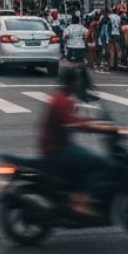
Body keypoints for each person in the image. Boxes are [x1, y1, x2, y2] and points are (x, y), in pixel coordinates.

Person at [38, 64, 120, 217]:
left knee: (87, 159)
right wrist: (102, 128)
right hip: (57, 150)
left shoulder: (62, 98)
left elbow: (75, 120)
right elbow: (74, 123)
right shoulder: (61, 101)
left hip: (60, 147)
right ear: (73, 82)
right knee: (101, 164)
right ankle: (80, 201)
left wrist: (96, 123)